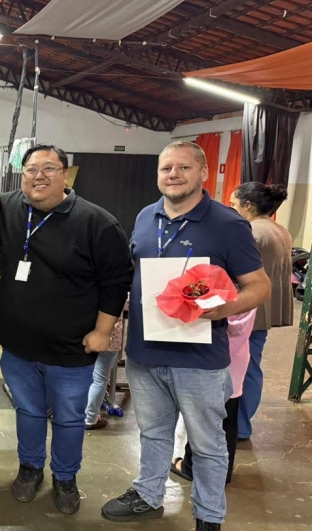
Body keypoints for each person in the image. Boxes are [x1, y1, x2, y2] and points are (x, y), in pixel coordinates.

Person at [101, 141, 271, 531]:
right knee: (153, 432)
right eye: (166, 169)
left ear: (203, 172)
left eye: (183, 167)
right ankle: (148, 495)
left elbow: (260, 286)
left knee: (208, 444)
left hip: (199, 361)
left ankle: (209, 516)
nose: (173, 175)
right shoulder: (146, 217)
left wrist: (226, 307)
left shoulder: (228, 225)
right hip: (145, 354)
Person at [0, 144, 132, 511]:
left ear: (65, 175)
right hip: (18, 343)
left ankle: (65, 477)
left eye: (49, 169)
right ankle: (30, 468)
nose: (39, 176)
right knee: (28, 411)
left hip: (72, 347)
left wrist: (102, 332)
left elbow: (117, 280)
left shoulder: (97, 222)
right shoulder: (6, 207)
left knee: (69, 418)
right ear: (22, 175)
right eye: (31, 169)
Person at [229, 183, 293, 441]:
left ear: (247, 205)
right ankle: (242, 424)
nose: (231, 209)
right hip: (265, 309)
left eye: (234, 204)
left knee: (242, 368)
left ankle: (239, 425)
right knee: (252, 365)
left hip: (250, 311)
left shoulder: (251, 231)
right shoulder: (279, 229)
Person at [171, 308, 255, 484]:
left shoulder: (220, 298)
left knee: (201, 419)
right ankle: (223, 473)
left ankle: (190, 467)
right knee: (228, 419)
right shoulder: (248, 299)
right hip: (238, 355)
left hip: (212, 357)